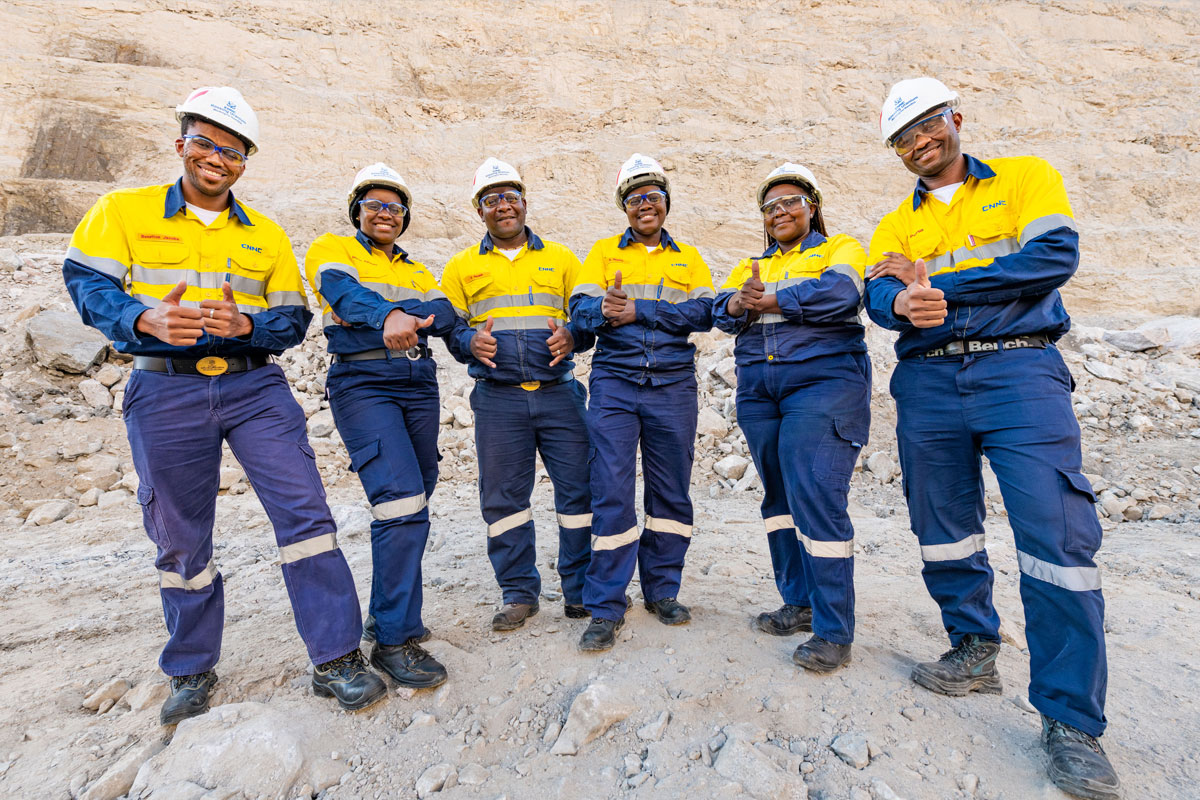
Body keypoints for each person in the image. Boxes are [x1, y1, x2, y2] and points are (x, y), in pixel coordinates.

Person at [62, 87, 386, 725]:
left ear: (245, 162)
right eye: (206, 142)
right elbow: (86, 281)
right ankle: (190, 667)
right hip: (164, 388)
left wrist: (249, 328)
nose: (218, 158)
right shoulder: (121, 211)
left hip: (253, 388)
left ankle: (338, 657)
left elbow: (292, 319)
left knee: (305, 514)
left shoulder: (264, 233)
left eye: (232, 150)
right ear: (181, 143)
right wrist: (142, 316)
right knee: (180, 534)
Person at [865, 77, 1119, 799]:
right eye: (902, 137)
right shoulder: (893, 224)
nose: (918, 142)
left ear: (956, 119)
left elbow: (1052, 260)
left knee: (1057, 537)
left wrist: (946, 290)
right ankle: (973, 646)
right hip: (928, 385)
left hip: (1021, 371)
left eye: (927, 125)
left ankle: (1072, 723)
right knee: (942, 528)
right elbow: (878, 295)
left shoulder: (1026, 179)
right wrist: (899, 299)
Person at [303, 163, 456, 690]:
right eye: (374, 205)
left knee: (417, 498)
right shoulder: (331, 249)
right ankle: (394, 641)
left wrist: (398, 314)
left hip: (418, 382)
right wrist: (391, 316)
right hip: (364, 383)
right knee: (399, 502)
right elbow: (342, 294)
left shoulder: (417, 269)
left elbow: (444, 311)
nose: (384, 213)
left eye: (394, 207)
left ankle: (391, 617)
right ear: (357, 212)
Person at [714, 163, 870, 674]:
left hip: (822, 383)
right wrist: (739, 300)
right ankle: (798, 602)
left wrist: (773, 299)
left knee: (817, 497)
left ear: (812, 207)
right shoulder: (750, 263)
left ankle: (832, 630)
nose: (780, 211)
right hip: (760, 390)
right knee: (779, 499)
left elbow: (842, 294)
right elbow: (721, 311)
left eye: (790, 202)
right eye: (770, 206)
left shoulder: (839, 249)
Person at [568, 154, 715, 652]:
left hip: (673, 385)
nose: (644, 205)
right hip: (615, 383)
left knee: (671, 492)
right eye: (634, 199)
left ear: (666, 204)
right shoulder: (604, 253)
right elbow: (580, 308)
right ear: (624, 209)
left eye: (652, 196)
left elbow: (705, 311)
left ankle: (662, 591)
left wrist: (642, 310)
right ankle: (606, 606)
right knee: (610, 490)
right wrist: (603, 311)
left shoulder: (688, 257)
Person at [441, 158, 594, 632]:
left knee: (579, 493)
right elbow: (450, 328)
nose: (503, 206)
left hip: (560, 396)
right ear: (479, 211)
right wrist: (468, 342)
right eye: (492, 199)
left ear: (524, 203)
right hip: (498, 400)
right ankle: (519, 592)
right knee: (504, 498)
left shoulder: (564, 258)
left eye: (510, 197)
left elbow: (586, 316)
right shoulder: (462, 267)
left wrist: (573, 336)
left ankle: (580, 590)